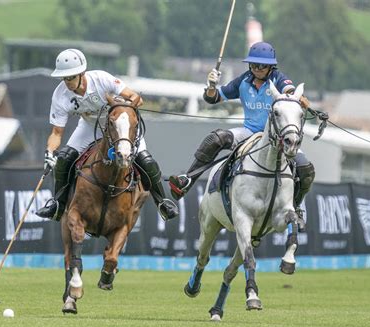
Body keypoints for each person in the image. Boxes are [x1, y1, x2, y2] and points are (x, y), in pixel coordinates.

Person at [169, 42, 315, 227]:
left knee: (305, 169)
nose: (257, 69)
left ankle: (296, 206)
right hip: (248, 133)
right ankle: (187, 180)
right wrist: (211, 86)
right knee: (216, 138)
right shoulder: (243, 81)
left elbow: (289, 91)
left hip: (275, 138)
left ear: (271, 66)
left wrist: (298, 97)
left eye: (261, 66)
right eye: (253, 65)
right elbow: (213, 98)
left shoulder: (278, 79)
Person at [36, 49, 178, 222]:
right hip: (89, 126)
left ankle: (162, 202)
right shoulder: (60, 95)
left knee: (145, 160)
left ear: (81, 73)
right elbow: (56, 133)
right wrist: (49, 153)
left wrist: (123, 107)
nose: (68, 82)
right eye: (64, 78)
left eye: (71, 77)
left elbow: (135, 98)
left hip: (120, 125)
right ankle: (58, 205)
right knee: (65, 157)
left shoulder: (102, 79)